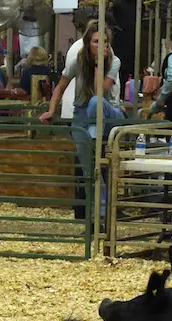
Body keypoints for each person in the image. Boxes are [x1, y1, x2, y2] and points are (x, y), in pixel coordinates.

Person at [40, 21, 124, 218]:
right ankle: (99, 214)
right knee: (89, 171)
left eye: (105, 42)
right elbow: (60, 87)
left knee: (96, 102)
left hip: (108, 111)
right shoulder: (77, 61)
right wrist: (51, 110)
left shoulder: (114, 61)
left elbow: (99, 91)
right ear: (87, 43)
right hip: (82, 114)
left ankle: (94, 135)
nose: (102, 46)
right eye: (96, 42)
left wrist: (98, 64)